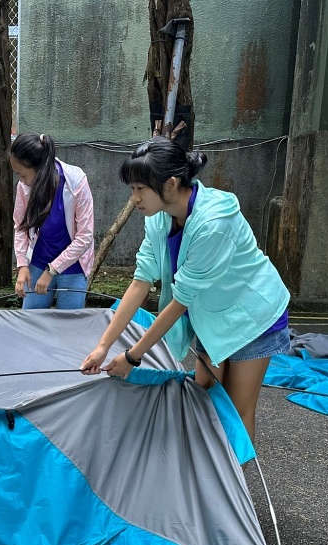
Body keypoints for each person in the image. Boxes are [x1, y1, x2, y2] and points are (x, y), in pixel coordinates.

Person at [80, 136, 290, 441]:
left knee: (236, 409)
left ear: (170, 184)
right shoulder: (158, 220)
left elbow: (179, 301)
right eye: (132, 190)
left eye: (140, 189)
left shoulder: (214, 222)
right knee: (204, 396)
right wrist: (103, 346)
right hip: (211, 315)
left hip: (252, 317)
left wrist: (132, 357)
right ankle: (204, 472)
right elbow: (141, 281)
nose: (134, 199)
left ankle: (229, 487)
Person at [10, 133, 96, 309]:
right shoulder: (24, 187)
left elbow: (85, 237)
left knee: (69, 327)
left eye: (23, 175)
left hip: (73, 266)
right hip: (39, 260)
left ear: (40, 169)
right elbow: (20, 226)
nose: (21, 181)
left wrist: (52, 270)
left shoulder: (76, 182)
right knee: (31, 323)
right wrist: (22, 265)